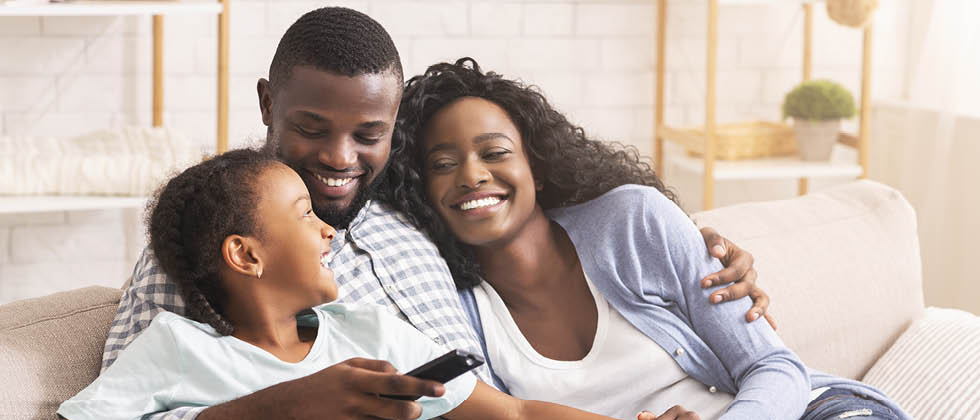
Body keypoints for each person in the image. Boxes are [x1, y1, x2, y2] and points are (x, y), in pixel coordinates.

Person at [102, 7, 769, 420]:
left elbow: (527, 214)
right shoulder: (208, 239)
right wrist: (284, 408)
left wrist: (694, 248)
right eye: (312, 127)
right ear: (268, 105)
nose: (340, 157)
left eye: (368, 134)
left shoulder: (415, 213)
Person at [394, 57, 911, 420]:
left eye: (495, 152)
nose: (472, 174)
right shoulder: (457, 313)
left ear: (538, 166)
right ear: (423, 192)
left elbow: (774, 366)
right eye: (443, 164)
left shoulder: (632, 222)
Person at [60, 149, 628, 420]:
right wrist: (287, 406)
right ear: (247, 255)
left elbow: (517, 416)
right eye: (306, 213)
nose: (330, 230)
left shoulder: (368, 334)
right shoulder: (179, 350)